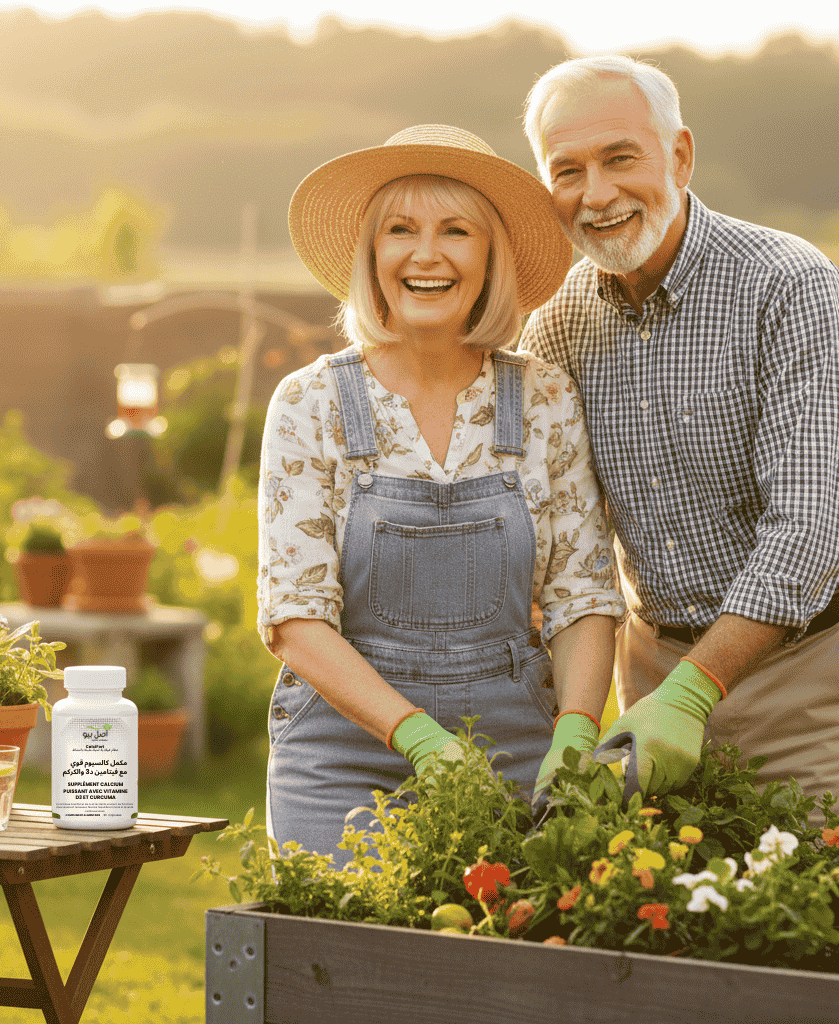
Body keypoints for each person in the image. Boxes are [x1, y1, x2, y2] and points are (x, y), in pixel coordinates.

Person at [519, 56, 839, 855]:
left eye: (620, 158)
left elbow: (806, 528)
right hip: (654, 670)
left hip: (816, 672)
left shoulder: (787, 286)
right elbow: (565, 546)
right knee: (680, 954)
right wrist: (581, 714)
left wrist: (694, 692)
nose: (596, 193)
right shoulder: (555, 329)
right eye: (568, 170)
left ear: (681, 157)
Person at [258, 124, 626, 866]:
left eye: (455, 231)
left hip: (516, 745)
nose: (425, 255)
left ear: (491, 258)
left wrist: (577, 734)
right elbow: (295, 616)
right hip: (343, 754)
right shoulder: (312, 402)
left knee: (508, 969)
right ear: (372, 255)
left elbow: (583, 596)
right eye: (401, 230)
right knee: (342, 965)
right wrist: (415, 734)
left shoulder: (546, 397)